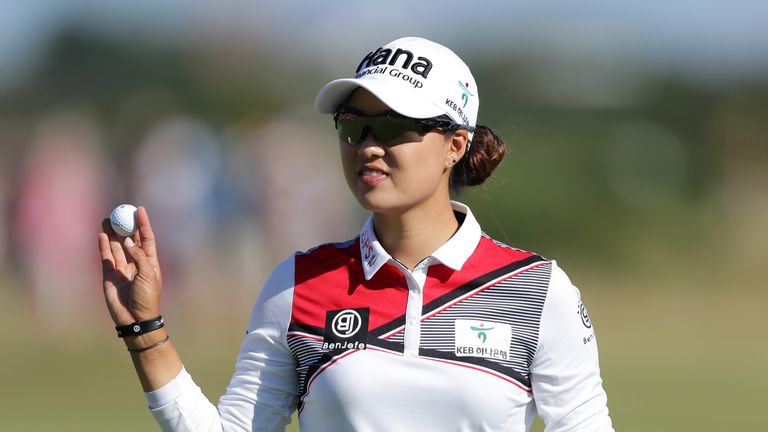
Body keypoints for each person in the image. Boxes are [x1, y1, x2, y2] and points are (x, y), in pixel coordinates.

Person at [99, 36, 614, 431]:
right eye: (352, 126)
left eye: (392, 128)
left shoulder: (539, 291)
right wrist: (146, 333)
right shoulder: (297, 284)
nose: (368, 146)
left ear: (455, 145)